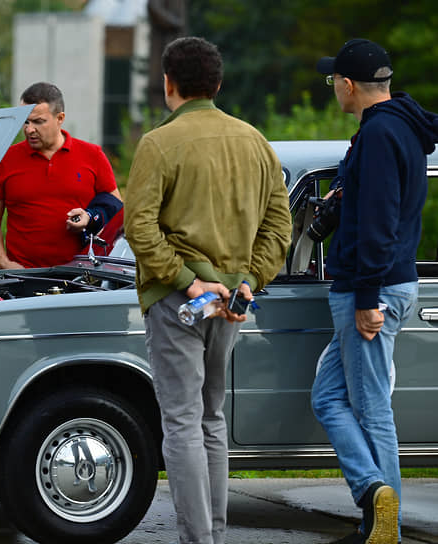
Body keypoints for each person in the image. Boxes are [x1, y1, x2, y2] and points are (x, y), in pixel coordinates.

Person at [123, 36, 291, 544]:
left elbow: (139, 226)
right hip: (231, 303)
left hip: (181, 301)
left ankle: (199, 539)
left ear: (168, 83)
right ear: (217, 84)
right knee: (211, 418)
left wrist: (185, 279)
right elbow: (279, 226)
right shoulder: (255, 141)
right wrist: (247, 283)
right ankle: (213, 532)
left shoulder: (158, 143)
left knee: (180, 422)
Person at [310, 39, 438, 544]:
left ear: (347, 84)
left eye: (332, 82)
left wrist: (365, 299)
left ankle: (380, 519)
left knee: (371, 410)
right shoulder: (398, 129)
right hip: (387, 282)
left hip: (373, 288)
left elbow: (380, 223)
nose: (332, 90)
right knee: (328, 398)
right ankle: (377, 504)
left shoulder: (382, 135)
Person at [0, 82, 122, 269]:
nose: (29, 129)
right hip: (22, 278)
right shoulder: (6, 159)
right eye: (25, 121)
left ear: (60, 118)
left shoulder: (93, 155)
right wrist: (3, 262)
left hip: (82, 278)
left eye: (38, 121)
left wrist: (90, 217)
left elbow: (116, 214)